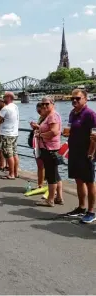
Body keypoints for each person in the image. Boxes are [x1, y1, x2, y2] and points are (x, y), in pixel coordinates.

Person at [63, 89, 96, 223]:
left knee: (89, 182)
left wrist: (91, 153)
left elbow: (94, 136)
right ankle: (81, 207)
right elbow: (70, 129)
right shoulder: (72, 113)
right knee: (78, 180)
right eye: (73, 98)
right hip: (74, 152)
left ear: (85, 99)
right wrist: (66, 134)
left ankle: (91, 211)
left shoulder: (90, 114)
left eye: (78, 98)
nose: (74, 101)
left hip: (86, 153)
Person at [34, 97, 63, 207]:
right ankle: (59, 197)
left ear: (52, 104)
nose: (44, 106)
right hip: (51, 148)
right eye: (42, 104)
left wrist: (40, 135)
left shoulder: (52, 116)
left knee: (51, 176)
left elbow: (54, 132)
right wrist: (39, 128)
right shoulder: (50, 115)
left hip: (49, 148)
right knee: (56, 174)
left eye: (47, 104)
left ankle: (50, 200)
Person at [0, 92, 19, 179]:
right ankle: (16, 172)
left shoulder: (5, 108)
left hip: (6, 134)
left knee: (8, 154)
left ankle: (11, 174)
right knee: (14, 153)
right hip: (14, 133)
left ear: (9, 97)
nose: (3, 99)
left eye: (4, 97)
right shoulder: (15, 107)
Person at [30, 103, 46, 189]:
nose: (39, 112)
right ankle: (40, 184)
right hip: (38, 144)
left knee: (44, 166)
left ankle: (45, 185)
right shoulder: (41, 118)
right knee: (40, 166)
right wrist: (34, 127)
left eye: (40, 110)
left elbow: (49, 131)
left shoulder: (48, 118)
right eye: (37, 111)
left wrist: (38, 126)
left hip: (45, 145)